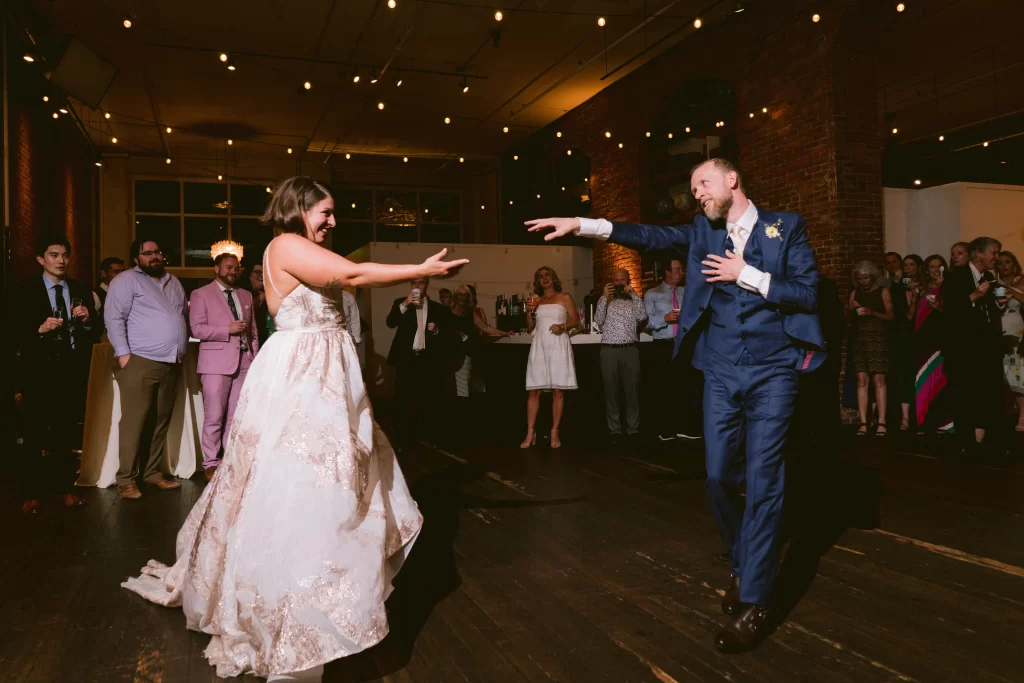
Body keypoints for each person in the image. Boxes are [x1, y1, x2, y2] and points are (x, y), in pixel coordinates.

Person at [121, 176, 468, 682]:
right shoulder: (286, 244)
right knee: (304, 484)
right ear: (296, 209)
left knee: (334, 481)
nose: (332, 220)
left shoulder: (299, 248)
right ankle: (298, 602)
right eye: (324, 211)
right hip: (304, 376)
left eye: (333, 212)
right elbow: (353, 275)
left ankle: (327, 587)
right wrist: (422, 269)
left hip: (324, 373)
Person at [527, 157, 824, 652]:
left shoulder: (784, 228)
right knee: (716, 476)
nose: (697, 195)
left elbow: (808, 294)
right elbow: (646, 235)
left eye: (703, 184)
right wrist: (583, 225)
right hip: (722, 370)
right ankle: (744, 558)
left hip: (774, 371)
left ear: (732, 180)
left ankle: (755, 600)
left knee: (766, 478)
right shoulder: (701, 233)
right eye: (693, 189)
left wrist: (746, 274)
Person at [12, 235, 97, 513]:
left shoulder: (79, 289)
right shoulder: (24, 291)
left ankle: (65, 490)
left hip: (70, 370)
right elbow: (10, 331)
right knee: (33, 434)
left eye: (65, 255)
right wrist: (38, 329)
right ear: (40, 259)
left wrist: (86, 320)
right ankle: (32, 494)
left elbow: (94, 332)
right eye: (53, 255)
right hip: (38, 371)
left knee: (65, 434)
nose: (61, 260)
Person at [104, 238, 188, 499]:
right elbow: (114, 317)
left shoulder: (173, 282)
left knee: (161, 421)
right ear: (136, 259)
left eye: (158, 251)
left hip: (172, 362)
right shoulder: (126, 280)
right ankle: (126, 480)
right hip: (140, 360)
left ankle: (151, 473)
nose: (154, 256)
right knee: (134, 422)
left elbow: (181, 315)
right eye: (148, 253)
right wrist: (124, 355)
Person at [189, 253, 260, 480]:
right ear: (216, 268)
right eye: (228, 267)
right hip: (215, 364)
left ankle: (230, 459)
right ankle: (210, 462)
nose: (233, 271)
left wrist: (255, 358)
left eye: (236, 268)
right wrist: (226, 329)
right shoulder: (200, 294)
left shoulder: (246, 294)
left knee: (236, 416)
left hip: (244, 362)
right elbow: (197, 330)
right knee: (214, 415)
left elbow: (254, 332)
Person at [942, 237, 1004, 452]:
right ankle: (965, 442)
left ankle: (986, 438)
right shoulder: (954, 278)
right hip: (963, 349)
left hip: (985, 348)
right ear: (979, 254)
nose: (996, 258)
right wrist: (973, 296)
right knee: (964, 394)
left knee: (986, 392)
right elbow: (949, 312)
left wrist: (998, 304)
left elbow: (988, 312)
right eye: (993, 253)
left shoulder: (988, 277)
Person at [386, 277, 454, 449]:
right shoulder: (400, 303)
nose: (417, 286)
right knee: (403, 398)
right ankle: (401, 438)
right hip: (406, 358)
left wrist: (437, 330)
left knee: (428, 398)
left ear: (427, 285)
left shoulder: (438, 308)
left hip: (428, 359)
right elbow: (390, 322)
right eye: (414, 283)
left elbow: (447, 333)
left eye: (421, 283)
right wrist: (405, 303)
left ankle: (427, 436)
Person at [523, 266, 579, 449]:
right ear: (538, 281)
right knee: (534, 390)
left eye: (547, 275)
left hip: (558, 345)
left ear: (553, 278)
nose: (544, 278)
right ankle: (530, 432)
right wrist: (529, 312)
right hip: (540, 345)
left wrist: (562, 326)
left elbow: (575, 321)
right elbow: (530, 326)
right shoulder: (536, 301)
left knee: (558, 389)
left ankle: (555, 431)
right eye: (540, 276)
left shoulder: (565, 297)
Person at [645, 259, 701, 441]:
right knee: (664, 388)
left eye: (681, 269)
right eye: (677, 269)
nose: (681, 272)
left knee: (685, 386)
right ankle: (665, 429)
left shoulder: (686, 292)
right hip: (663, 344)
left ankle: (685, 426)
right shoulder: (652, 294)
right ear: (667, 272)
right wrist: (665, 318)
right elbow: (646, 322)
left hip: (684, 344)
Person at [595, 268, 648, 443]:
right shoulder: (607, 300)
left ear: (628, 281)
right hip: (609, 349)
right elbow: (598, 320)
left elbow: (642, 316)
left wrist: (634, 295)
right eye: (616, 280)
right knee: (611, 391)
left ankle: (633, 429)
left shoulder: (634, 300)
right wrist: (603, 296)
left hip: (630, 349)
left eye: (622, 280)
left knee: (632, 391)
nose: (619, 283)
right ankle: (615, 430)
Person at [849, 261, 895, 436]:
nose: (862, 282)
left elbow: (891, 316)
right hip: (860, 339)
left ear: (873, 277)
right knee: (861, 380)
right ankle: (863, 422)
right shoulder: (855, 293)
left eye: (865, 278)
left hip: (878, 339)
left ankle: (881, 421)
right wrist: (852, 309)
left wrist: (872, 312)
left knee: (879, 380)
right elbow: (849, 319)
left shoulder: (883, 292)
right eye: (859, 278)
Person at [895, 254, 925, 431]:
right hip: (904, 335)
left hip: (923, 334)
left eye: (911, 264)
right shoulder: (898, 288)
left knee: (921, 374)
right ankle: (905, 418)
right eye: (905, 265)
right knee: (904, 375)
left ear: (919, 267)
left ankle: (922, 415)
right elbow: (904, 316)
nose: (907, 268)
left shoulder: (926, 286)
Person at [996, 251, 1024, 430]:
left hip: (1017, 334)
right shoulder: (993, 283)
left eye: (1007, 262)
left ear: (1014, 264)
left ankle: (1023, 416)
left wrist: (1012, 292)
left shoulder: (1022, 281)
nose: (1004, 266)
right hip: (999, 335)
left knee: (1018, 375)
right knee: (1003, 375)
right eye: (1000, 263)